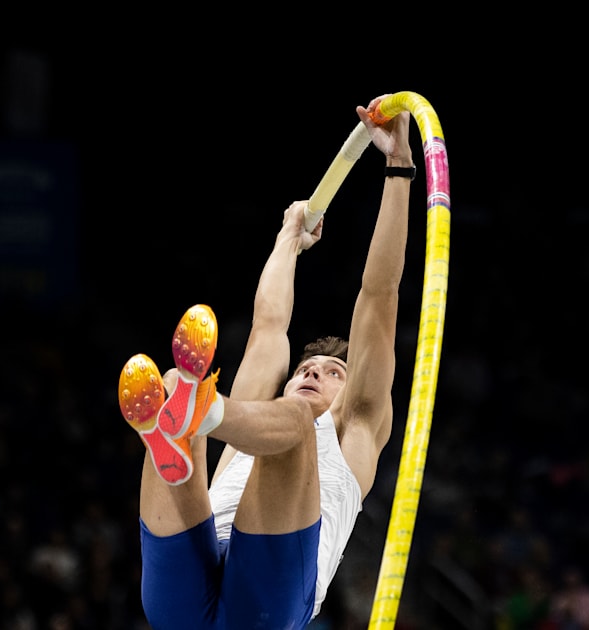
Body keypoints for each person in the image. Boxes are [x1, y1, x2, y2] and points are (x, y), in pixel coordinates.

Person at [116, 93, 413, 629]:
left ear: (354, 393)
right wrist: (287, 239)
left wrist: (398, 166)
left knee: (292, 427)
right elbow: (268, 326)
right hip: (188, 584)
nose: (311, 372)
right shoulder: (259, 418)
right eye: (305, 369)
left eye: (331, 373)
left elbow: (380, 295)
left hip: (265, 609)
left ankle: (195, 415)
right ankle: (181, 420)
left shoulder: (357, 428)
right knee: (175, 388)